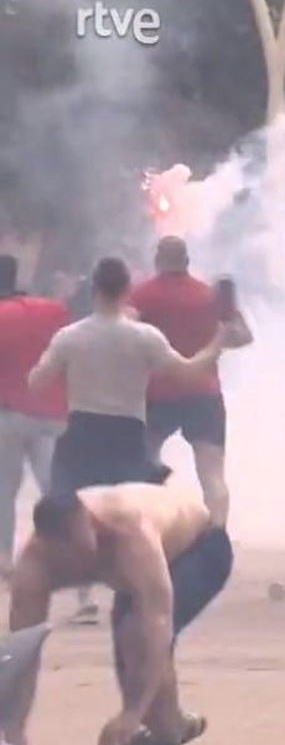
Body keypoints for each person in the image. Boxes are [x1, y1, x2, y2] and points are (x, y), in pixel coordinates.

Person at [27, 257, 238, 624]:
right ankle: (144, 590)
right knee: (139, 517)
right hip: (127, 437)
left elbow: (37, 381)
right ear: (126, 292)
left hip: (81, 435)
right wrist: (219, 340)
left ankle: (84, 596)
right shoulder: (144, 337)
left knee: (75, 510)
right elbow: (190, 373)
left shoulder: (71, 337)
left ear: (93, 291)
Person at [4, 483, 233, 745]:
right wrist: (14, 723)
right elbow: (23, 650)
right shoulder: (35, 565)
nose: (73, 561)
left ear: (91, 523)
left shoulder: (132, 534)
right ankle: (174, 723)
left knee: (137, 639)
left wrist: (132, 712)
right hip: (135, 575)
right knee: (130, 650)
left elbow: (158, 629)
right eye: (63, 556)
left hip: (199, 548)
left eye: (78, 549)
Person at [130, 237, 253, 526]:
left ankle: (151, 526)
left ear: (157, 260)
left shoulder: (142, 295)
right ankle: (217, 533)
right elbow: (244, 336)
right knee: (212, 475)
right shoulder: (208, 295)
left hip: (157, 393)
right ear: (187, 261)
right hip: (204, 393)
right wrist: (218, 339)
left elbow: (128, 334)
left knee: (143, 463)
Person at [0, 255, 68, 577]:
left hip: (8, 417)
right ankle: (74, 560)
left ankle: (3, 562)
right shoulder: (51, 310)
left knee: (4, 492)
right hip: (52, 416)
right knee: (55, 491)